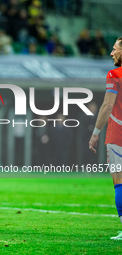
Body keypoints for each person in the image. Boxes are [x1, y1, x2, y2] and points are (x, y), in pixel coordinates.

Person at [89, 36, 122, 240]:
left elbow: (107, 106)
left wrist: (95, 134)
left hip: (117, 135)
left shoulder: (114, 74)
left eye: (114, 49)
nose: (111, 53)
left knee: (119, 182)